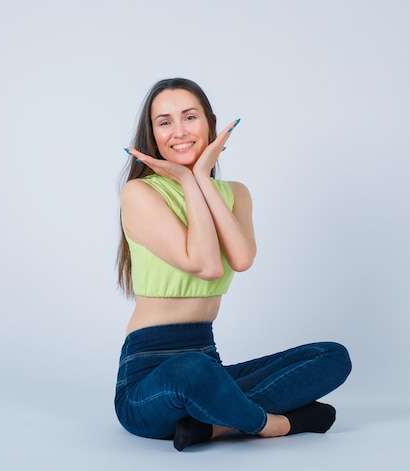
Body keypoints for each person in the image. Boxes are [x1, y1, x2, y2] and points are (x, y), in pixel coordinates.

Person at [114, 77, 352, 451]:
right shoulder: (140, 193)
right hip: (148, 381)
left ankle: (214, 426)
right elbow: (205, 264)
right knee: (192, 373)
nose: (179, 131)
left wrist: (203, 182)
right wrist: (188, 181)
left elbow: (241, 259)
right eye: (164, 122)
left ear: (210, 123)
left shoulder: (235, 193)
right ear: (153, 135)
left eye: (189, 117)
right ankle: (271, 424)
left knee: (332, 356)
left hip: (208, 363)